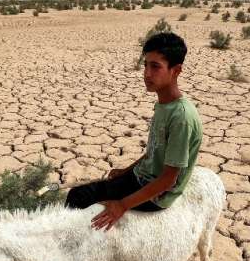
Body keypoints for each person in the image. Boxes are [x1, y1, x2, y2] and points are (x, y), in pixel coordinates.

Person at [65, 32, 203, 231]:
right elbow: (154, 152)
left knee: (79, 198)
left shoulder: (181, 117)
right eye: (145, 65)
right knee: (79, 194)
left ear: (176, 70)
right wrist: (126, 171)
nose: (147, 73)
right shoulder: (164, 105)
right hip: (140, 177)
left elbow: (168, 179)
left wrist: (122, 205)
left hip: (157, 194)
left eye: (155, 66)